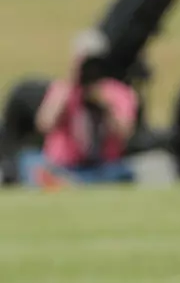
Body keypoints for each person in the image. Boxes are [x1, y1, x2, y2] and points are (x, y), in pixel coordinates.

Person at [20, 30, 138, 189]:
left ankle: (72, 184)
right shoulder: (62, 90)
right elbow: (44, 124)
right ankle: (68, 182)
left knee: (124, 173)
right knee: (30, 161)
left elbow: (126, 133)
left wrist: (105, 105)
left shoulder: (117, 93)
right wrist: (69, 90)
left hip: (104, 167)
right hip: (64, 165)